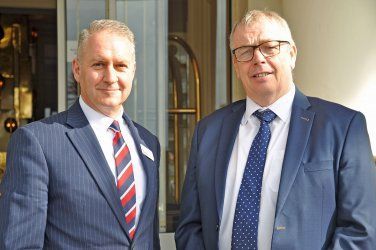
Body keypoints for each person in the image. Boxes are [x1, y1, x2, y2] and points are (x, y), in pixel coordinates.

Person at [175, 9, 376, 250]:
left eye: (270, 47)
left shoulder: (343, 127)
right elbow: (190, 225)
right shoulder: (208, 131)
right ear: (236, 66)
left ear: (291, 54)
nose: (258, 58)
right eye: (245, 51)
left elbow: (360, 230)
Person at [0, 19, 160, 249]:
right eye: (99, 64)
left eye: (121, 65)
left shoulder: (149, 144)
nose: (111, 76)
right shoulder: (37, 142)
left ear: (133, 71)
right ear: (77, 69)